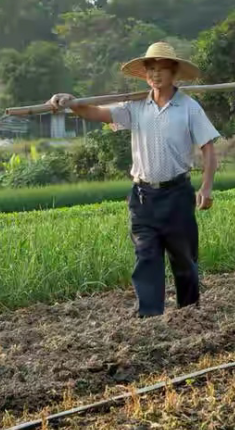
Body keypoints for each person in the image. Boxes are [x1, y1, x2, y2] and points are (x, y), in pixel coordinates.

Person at [47, 42, 221, 318]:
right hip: (143, 197)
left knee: (184, 260)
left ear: (173, 72)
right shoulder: (136, 106)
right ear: (145, 74)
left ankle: (189, 315)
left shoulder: (189, 108)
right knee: (146, 256)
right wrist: (70, 102)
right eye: (150, 69)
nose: (154, 74)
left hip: (176, 194)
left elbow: (209, 150)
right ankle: (149, 317)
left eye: (161, 68)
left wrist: (207, 187)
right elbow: (98, 113)